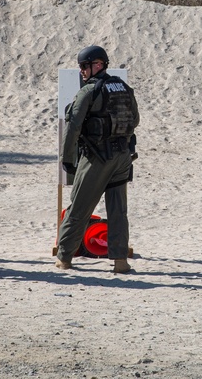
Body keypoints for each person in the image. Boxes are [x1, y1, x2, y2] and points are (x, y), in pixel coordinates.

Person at [56, 45, 139, 274]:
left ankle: (64, 257)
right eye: (81, 66)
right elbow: (136, 119)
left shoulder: (89, 91)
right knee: (118, 210)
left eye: (85, 66)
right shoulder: (123, 87)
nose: (81, 71)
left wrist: (67, 159)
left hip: (97, 157)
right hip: (122, 156)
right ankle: (120, 261)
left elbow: (72, 127)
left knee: (79, 208)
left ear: (99, 65)